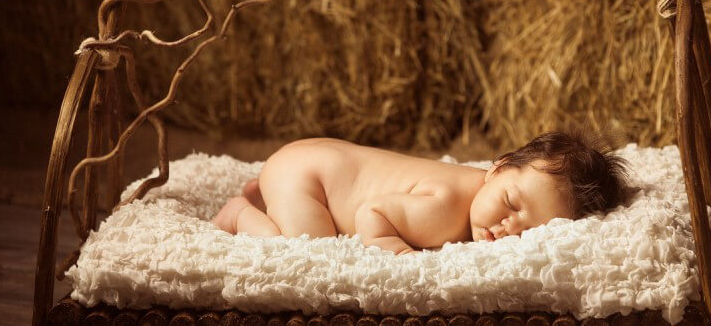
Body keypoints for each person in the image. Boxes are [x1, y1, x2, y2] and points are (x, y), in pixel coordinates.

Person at [212, 130, 628, 254]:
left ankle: (267, 193)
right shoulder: (446, 210)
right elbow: (371, 214)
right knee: (303, 249)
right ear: (496, 169)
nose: (509, 227)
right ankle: (242, 213)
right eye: (510, 204)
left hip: (314, 159)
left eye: (531, 229)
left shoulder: (483, 184)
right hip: (309, 179)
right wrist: (402, 258)